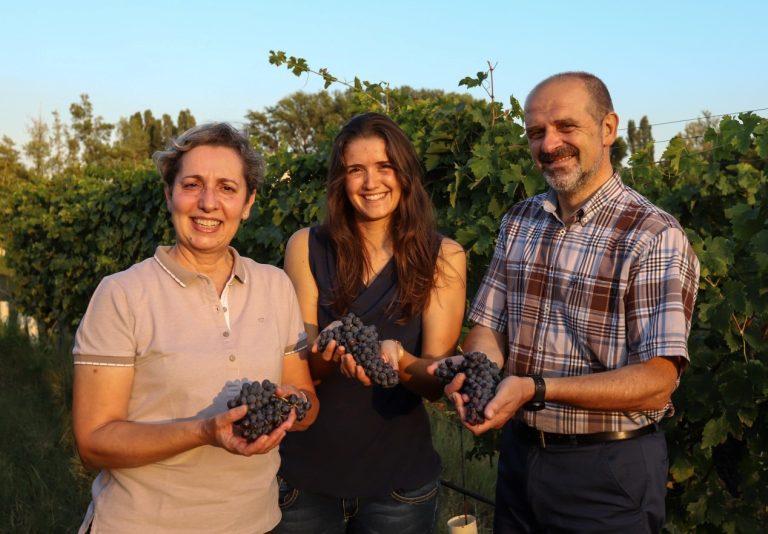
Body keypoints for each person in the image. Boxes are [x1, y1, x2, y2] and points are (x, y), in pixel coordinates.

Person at [435, 72, 700, 533]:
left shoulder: (653, 236)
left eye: (565, 127)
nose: (549, 143)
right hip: (521, 457)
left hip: (609, 472)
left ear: (608, 128)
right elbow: (488, 329)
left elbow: (658, 380)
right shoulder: (520, 221)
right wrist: (477, 376)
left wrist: (536, 388)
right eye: (536, 132)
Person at [71, 122, 318, 534]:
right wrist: (204, 431)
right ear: (169, 193)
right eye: (192, 185)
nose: (208, 203)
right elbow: (93, 442)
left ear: (248, 202)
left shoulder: (275, 286)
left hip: (257, 524)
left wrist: (292, 407)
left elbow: (305, 399)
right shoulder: (122, 294)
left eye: (227, 187)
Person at [275, 112, 467, 533]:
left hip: (398, 486)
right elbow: (299, 368)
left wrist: (398, 360)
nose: (371, 182)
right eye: (355, 170)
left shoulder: (443, 257)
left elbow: (437, 380)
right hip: (303, 481)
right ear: (340, 180)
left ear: (404, 173)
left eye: (384, 167)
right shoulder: (305, 246)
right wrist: (329, 353)